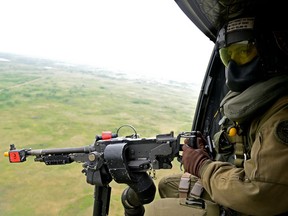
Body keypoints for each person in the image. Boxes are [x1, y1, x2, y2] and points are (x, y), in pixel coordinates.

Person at [145, 3, 288, 216]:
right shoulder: (258, 105)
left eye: (243, 52)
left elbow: (260, 193)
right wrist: (207, 154)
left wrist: (203, 166)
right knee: (169, 184)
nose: (232, 66)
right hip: (244, 189)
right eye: (227, 56)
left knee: (158, 211)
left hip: (258, 202)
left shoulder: (281, 117)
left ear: (270, 50)